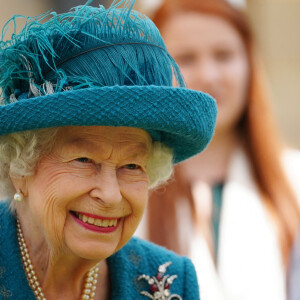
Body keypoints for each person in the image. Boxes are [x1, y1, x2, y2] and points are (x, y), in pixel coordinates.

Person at [0, 1, 218, 299]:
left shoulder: (169, 282)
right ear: (20, 167)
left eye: (132, 166)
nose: (111, 194)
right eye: (84, 160)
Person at [137, 0, 300, 299]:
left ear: (250, 60)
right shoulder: (127, 187)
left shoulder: (294, 179)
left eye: (224, 56)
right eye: (186, 58)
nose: (209, 77)